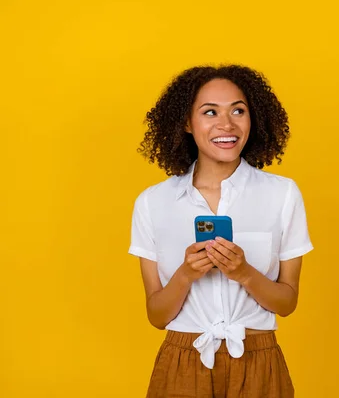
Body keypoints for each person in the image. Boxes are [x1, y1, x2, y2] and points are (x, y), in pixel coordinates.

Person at [128, 64, 313, 397]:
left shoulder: (282, 194)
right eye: (209, 112)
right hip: (183, 362)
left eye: (238, 111)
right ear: (187, 122)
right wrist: (185, 274)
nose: (226, 124)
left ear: (252, 119)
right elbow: (156, 315)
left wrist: (244, 273)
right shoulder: (152, 203)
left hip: (259, 362)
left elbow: (286, 303)